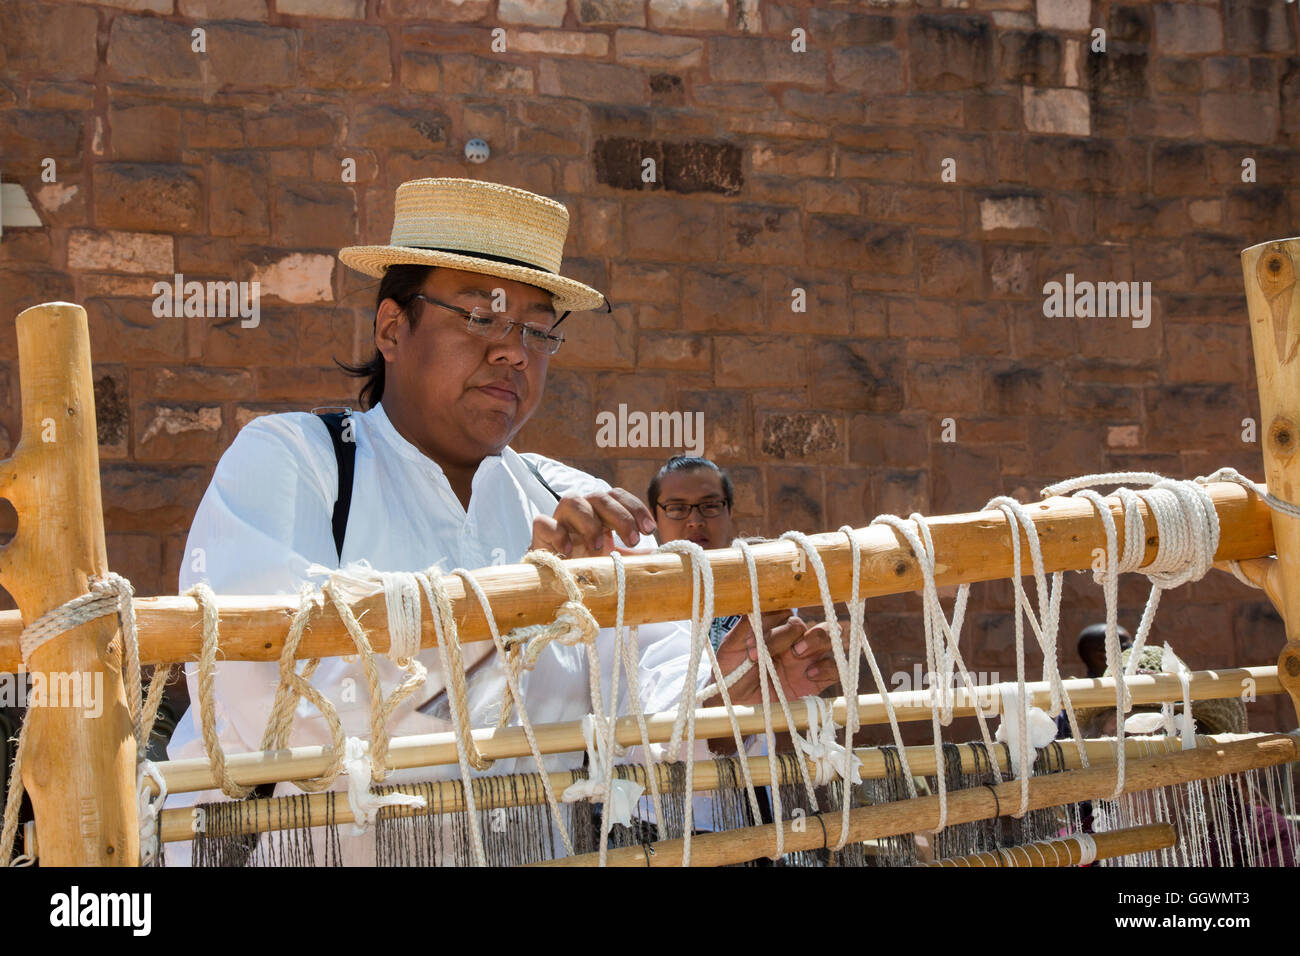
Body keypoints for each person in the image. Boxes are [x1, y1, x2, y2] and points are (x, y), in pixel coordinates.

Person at [165, 178, 842, 863]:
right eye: (479, 318)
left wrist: (723, 700)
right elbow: (271, 692)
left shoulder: (572, 499)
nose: (514, 351)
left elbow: (650, 688)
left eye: (537, 331)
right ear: (393, 329)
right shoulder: (296, 461)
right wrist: (518, 611)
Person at [647, 455, 745, 651]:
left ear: (730, 511)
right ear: (653, 516)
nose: (695, 521)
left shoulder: (762, 589)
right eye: (677, 508)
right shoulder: (635, 591)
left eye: (710, 506)